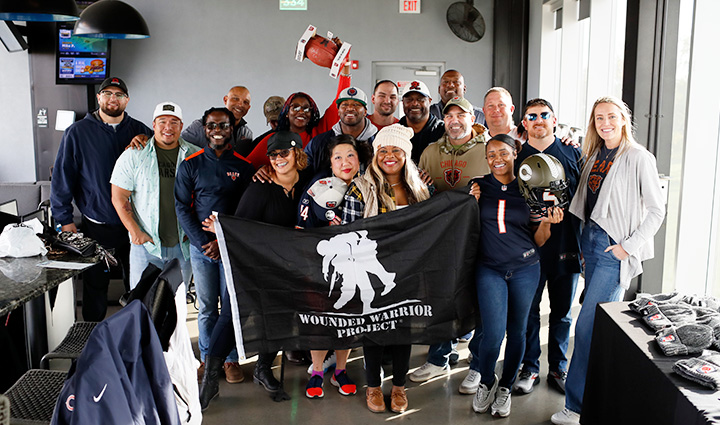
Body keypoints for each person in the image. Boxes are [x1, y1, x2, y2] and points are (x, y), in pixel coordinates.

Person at [551, 97, 665, 425]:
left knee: (586, 327)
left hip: (613, 249)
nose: (606, 123)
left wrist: (627, 248)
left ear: (624, 119)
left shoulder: (638, 157)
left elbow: (657, 210)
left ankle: (577, 407)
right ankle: (603, 396)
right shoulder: (594, 155)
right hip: (588, 242)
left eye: (612, 117)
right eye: (599, 118)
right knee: (597, 324)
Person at [198, 131, 312, 409]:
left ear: (297, 154)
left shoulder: (308, 185)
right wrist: (220, 229)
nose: (278, 159)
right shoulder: (260, 188)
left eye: (283, 153)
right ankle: (210, 380)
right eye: (273, 155)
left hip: (286, 267)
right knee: (232, 315)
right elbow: (240, 226)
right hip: (251, 265)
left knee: (277, 317)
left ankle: (263, 368)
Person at [468, 134, 563, 418]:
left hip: (525, 268)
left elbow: (541, 240)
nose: (497, 159)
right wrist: (469, 203)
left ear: (515, 153)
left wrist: (546, 221)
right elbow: (463, 225)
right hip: (489, 268)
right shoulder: (478, 186)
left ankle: (506, 387)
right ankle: (487, 381)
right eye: (492, 154)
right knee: (493, 335)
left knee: (518, 331)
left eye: (503, 153)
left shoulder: (530, 188)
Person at [342, 124, 433, 414]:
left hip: (408, 271)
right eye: (383, 150)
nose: (389, 156)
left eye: (396, 150)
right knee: (374, 331)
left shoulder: (418, 189)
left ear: (406, 155)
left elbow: (431, 230)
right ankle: (372, 387)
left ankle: (399, 388)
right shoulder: (360, 187)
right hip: (371, 272)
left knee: (402, 331)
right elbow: (348, 232)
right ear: (375, 155)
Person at [50, 76, 152, 321]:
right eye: (107, 94)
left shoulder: (141, 130)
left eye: (118, 95)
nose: (112, 99)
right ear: (98, 98)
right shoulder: (77, 133)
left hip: (136, 225)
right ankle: (91, 343)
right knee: (95, 287)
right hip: (98, 225)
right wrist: (65, 221)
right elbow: (62, 179)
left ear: (127, 100)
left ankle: (135, 341)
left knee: (139, 286)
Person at [409, 96, 489, 391]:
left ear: (472, 118)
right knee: (441, 297)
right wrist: (422, 183)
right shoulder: (431, 151)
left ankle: (479, 365)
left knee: (481, 300)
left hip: (481, 236)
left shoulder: (486, 149)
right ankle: (438, 357)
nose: (455, 120)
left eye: (461, 115)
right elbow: (418, 195)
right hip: (442, 238)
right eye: (449, 115)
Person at [175, 107, 255, 385]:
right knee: (207, 306)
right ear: (205, 129)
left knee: (231, 306)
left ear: (232, 128)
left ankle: (230, 359)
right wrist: (205, 242)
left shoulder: (243, 167)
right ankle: (208, 359)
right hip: (201, 248)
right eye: (212, 126)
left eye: (223, 125)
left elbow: (247, 210)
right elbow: (182, 208)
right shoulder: (191, 165)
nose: (217, 131)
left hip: (232, 249)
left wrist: (224, 243)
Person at [513, 99, 582, 396]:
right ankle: (529, 367)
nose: (538, 120)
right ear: (524, 123)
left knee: (563, 312)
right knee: (528, 311)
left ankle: (558, 366)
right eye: (532, 116)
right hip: (527, 249)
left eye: (544, 115)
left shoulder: (573, 152)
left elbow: (584, 201)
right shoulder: (515, 156)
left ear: (554, 120)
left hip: (565, 244)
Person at [297, 135, 365, 399]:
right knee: (321, 319)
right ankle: (316, 371)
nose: (344, 162)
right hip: (321, 265)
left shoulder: (369, 185)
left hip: (356, 265)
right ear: (330, 161)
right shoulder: (318, 187)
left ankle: (340, 370)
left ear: (359, 159)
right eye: (338, 157)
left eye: (350, 155)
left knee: (348, 318)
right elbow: (302, 228)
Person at [110, 101, 199, 290]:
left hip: (183, 246)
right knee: (142, 303)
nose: (168, 127)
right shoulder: (134, 155)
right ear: (153, 124)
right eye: (162, 121)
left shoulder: (195, 155)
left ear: (181, 126)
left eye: (174, 122)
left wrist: (195, 231)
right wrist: (136, 233)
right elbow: (119, 197)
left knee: (177, 305)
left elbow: (205, 197)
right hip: (146, 245)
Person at [246, 61, 352, 169]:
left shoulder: (319, 131)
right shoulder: (273, 139)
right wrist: (260, 169)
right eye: (295, 107)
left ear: (311, 114)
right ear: (287, 112)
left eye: (306, 108)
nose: (301, 111)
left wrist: (345, 67)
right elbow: (245, 166)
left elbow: (340, 101)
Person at [304, 87, 378, 175]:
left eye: (356, 105)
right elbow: (304, 177)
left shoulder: (379, 141)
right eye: (345, 105)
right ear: (338, 111)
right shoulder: (319, 143)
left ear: (365, 112)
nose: (350, 108)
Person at [181, 86, 254, 153]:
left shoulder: (247, 134)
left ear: (248, 107)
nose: (240, 105)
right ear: (225, 100)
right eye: (235, 99)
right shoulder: (200, 126)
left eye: (245, 102)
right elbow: (179, 147)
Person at [398, 80, 445, 164]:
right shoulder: (395, 131)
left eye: (420, 99)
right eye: (409, 100)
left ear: (430, 101)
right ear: (403, 103)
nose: (415, 103)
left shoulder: (443, 130)